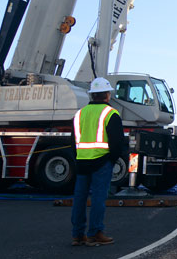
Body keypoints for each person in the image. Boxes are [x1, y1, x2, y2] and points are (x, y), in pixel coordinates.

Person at [71, 77, 126, 246]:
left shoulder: (79, 113)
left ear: (92, 95)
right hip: (101, 162)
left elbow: (73, 139)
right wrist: (112, 159)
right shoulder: (110, 113)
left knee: (79, 199)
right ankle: (95, 233)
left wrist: (79, 156)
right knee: (98, 198)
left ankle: (78, 235)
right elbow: (117, 142)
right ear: (107, 95)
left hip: (82, 161)